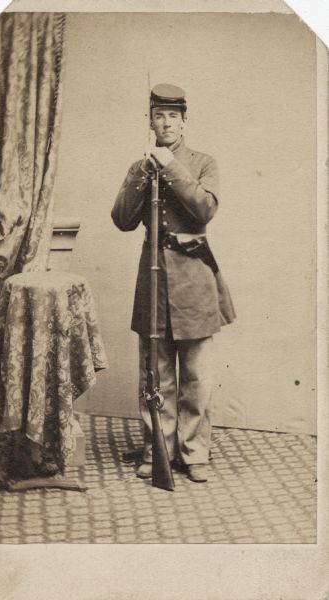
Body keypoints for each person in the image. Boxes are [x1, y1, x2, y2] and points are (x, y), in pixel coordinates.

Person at [111, 83, 235, 482]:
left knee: (197, 376)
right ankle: (157, 448)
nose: (165, 123)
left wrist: (169, 167)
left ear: (184, 121)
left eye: (172, 117)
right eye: (158, 116)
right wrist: (140, 174)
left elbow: (203, 211)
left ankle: (195, 452)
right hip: (154, 280)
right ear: (150, 120)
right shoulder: (141, 165)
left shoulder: (202, 162)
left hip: (195, 279)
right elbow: (123, 220)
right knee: (156, 372)